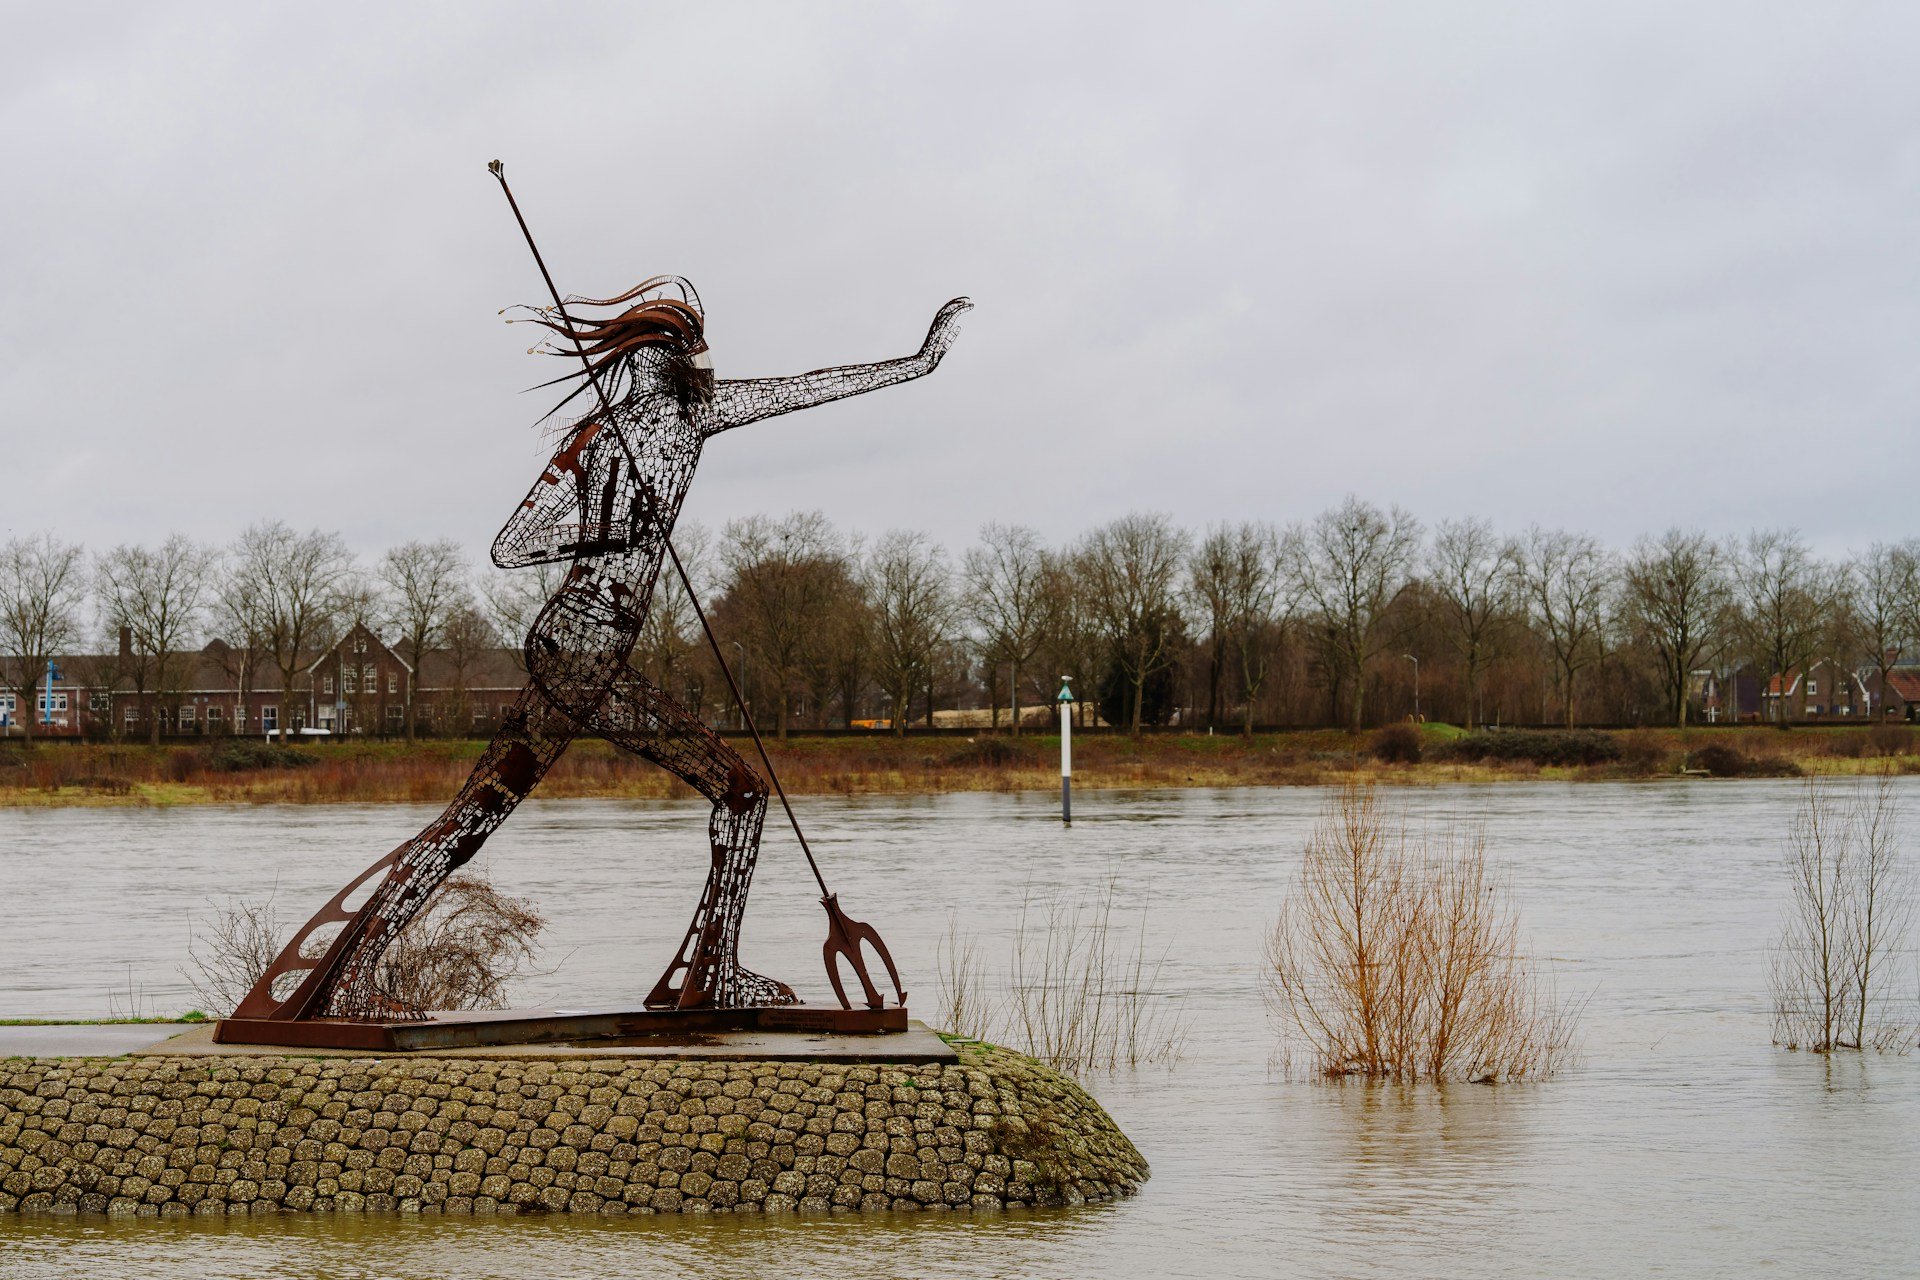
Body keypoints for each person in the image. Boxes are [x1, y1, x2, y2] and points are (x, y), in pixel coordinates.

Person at [233, 279, 968, 1022]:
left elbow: (805, 390)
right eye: (691, 352)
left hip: (579, 652)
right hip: (582, 649)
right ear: (664, 360)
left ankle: (354, 980)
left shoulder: (659, 423)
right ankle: (710, 975)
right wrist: (612, 534)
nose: (705, 367)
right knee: (741, 793)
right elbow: (513, 545)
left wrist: (916, 362)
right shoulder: (622, 433)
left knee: (471, 821)